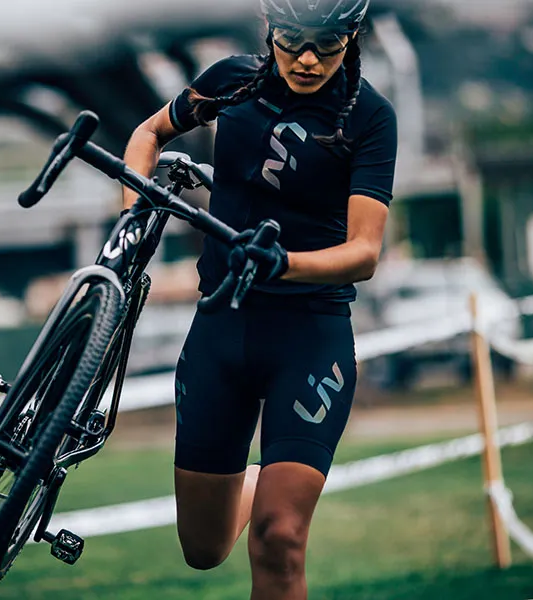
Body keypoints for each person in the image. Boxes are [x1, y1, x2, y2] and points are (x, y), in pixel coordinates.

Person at [121, 1, 397, 597]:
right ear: (269, 31)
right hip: (221, 331)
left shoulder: (370, 118)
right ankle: (257, 479)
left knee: (278, 538)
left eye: (326, 44)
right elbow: (147, 134)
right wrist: (130, 218)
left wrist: (286, 264)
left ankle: (275, 489)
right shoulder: (232, 81)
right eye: (291, 40)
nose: (306, 59)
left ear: (353, 36)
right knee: (203, 549)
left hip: (310, 337)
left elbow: (365, 252)